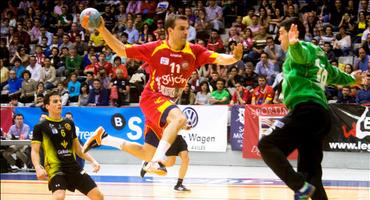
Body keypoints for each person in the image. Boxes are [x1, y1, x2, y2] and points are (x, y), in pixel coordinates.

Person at [81, 14, 242, 175]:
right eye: (181, 28)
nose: (186, 32)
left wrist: (234, 57)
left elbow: (220, 58)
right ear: (170, 30)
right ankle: (156, 163)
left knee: (147, 153)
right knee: (179, 118)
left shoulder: (194, 51)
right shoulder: (156, 48)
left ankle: (104, 138)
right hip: (152, 98)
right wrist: (102, 28)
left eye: (187, 28)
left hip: (166, 104)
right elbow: (121, 49)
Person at [257, 17, 364, 200]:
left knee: (266, 145)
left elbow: (301, 55)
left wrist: (295, 45)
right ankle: (307, 187)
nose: (278, 38)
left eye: (281, 33)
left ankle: (300, 186)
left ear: (293, 32)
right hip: (321, 115)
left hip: (306, 110)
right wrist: (353, 79)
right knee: (311, 174)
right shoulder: (318, 53)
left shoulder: (301, 49)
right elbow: (333, 74)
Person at [31, 91, 104, 200]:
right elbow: (35, 150)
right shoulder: (40, 126)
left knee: (98, 196)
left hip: (73, 166)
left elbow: (78, 149)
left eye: (60, 101)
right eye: (55, 101)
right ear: (47, 106)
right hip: (55, 169)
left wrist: (93, 161)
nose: (59, 103)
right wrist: (37, 167)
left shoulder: (69, 123)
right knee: (59, 197)